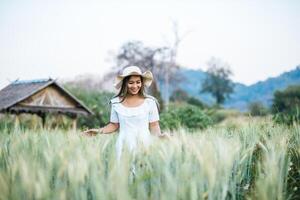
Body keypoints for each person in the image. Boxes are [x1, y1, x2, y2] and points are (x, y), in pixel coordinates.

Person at [83, 66, 168, 160]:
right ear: (125, 83)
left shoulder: (150, 102)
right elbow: (114, 125)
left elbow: (154, 126)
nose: (135, 86)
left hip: (145, 145)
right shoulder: (116, 103)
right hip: (123, 145)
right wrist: (98, 131)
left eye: (138, 82)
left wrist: (160, 137)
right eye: (131, 83)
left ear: (142, 83)